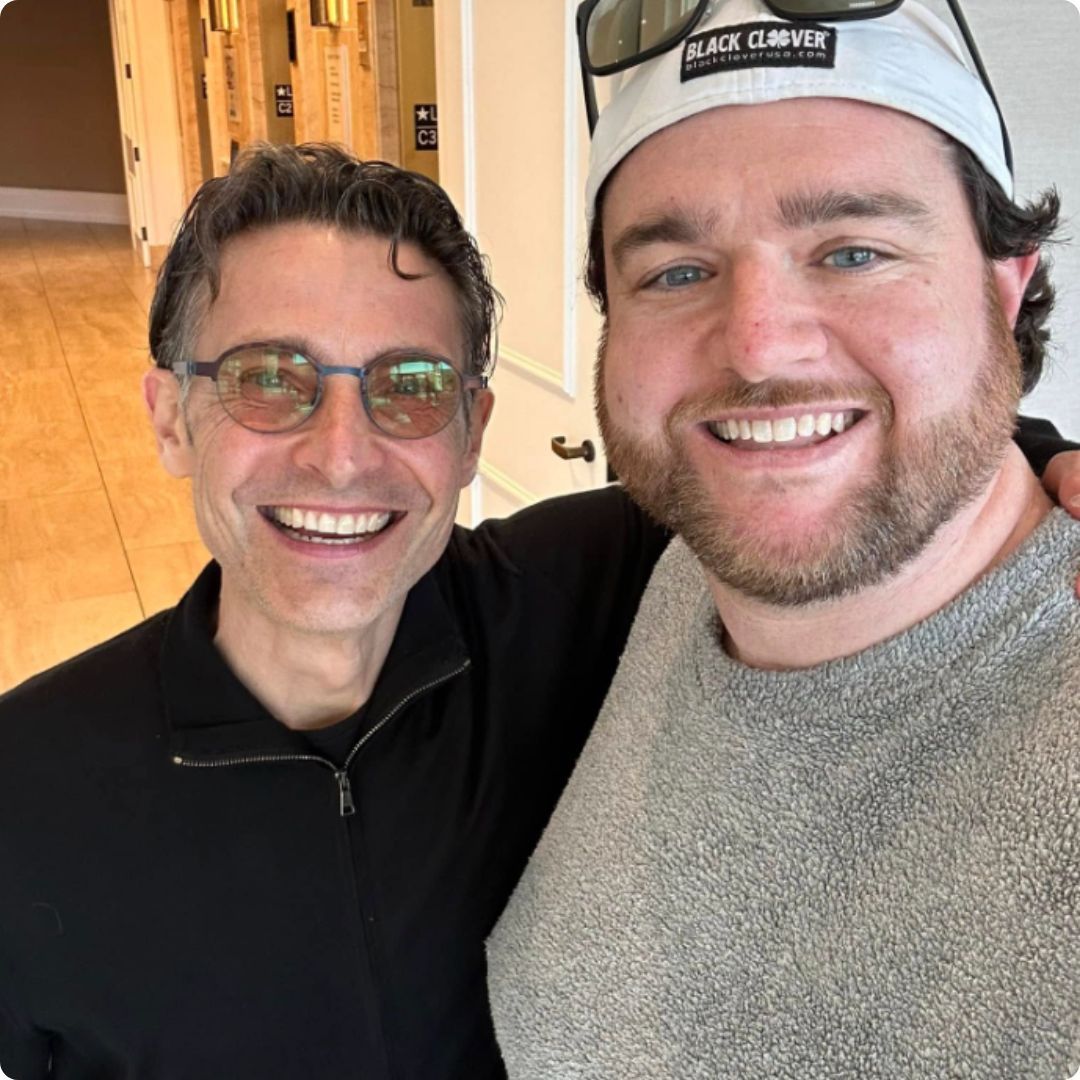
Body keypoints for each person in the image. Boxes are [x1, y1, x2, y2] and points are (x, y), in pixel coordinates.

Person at [0, 120, 1075, 1080]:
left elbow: (832, 467)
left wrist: (1046, 461)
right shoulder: (29, 787)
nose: (339, 459)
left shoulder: (585, 595)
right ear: (171, 419)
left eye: (410, 387)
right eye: (267, 378)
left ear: (472, 432)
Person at [487, 2, 1080, 1077]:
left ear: (1008, 286)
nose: (757, 347)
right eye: (675, 272)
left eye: (854, 251)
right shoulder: (662, 573)